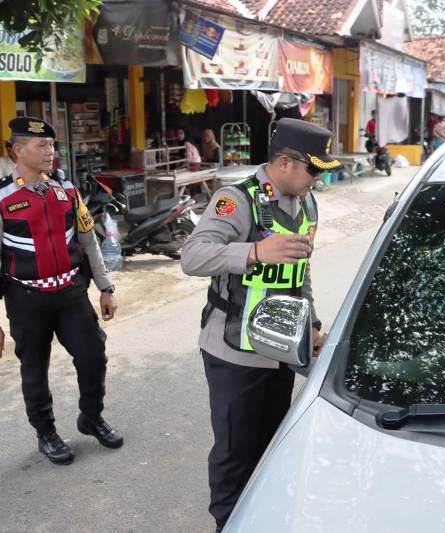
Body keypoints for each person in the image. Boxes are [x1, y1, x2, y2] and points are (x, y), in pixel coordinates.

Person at [181, 118, 341, 532]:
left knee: (272, 447)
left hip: (281, 352)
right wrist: (253, 252)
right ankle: (228, 525)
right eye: (314, 171)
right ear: (285, 163)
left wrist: (311, 325)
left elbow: (300, 273)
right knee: (235, 452)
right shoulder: (236, 200)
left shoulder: (306, 203)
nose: (318, 181)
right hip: (235, 355)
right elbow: (193, 257)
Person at [0, 117, 123, 465]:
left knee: (92, 356)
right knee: (34, 369)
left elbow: (88, 241)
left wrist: (105, 287)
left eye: (52, 145)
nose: (50, 152)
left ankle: (91, 417)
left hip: (71, 293)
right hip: (26, 299)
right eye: (41, 146)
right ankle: (46, 432)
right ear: (17, 151)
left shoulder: (66, 190)